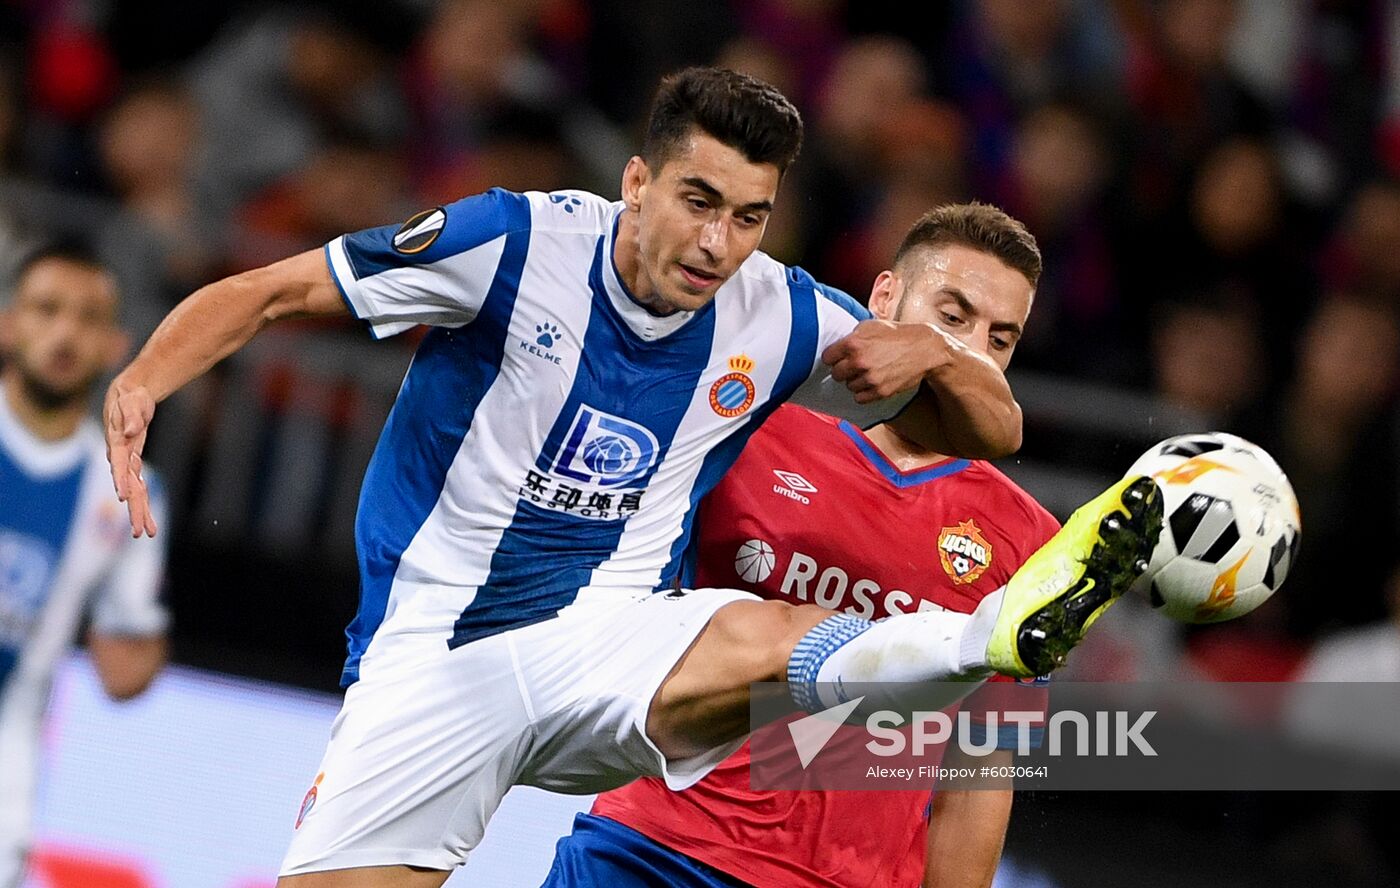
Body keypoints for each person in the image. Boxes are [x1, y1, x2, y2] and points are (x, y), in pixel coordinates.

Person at [102, 67, 1161, 887]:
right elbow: (271, 293)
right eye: (699, 201)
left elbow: (993, 427)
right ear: (637, 181)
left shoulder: (779, 311)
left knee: (772, 632)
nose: (717, 243)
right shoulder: (511, 241)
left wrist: (933, 350)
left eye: (748, 216)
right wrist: (144, 383)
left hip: (608, 638)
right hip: (434, 656)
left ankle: (988, 636)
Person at [546, 203, 1060, 888]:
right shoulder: (746, 430)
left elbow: (982, 769)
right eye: (952, 316)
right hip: (651, 846)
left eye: (1000, 339)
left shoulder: (1029, 538)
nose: (973, 354)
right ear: (885, 297)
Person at [0, 244, 169, 888]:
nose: (65, 333)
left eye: (88, 318)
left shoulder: (122, 490)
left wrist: (142, 635)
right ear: (9, 324)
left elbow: (124, 668)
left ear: (115, 346)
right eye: (47, 309)